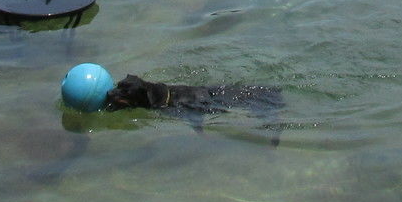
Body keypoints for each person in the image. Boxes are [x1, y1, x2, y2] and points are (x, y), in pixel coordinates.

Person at [61, 63, 285, 121]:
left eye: (122, 93)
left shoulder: (171, 106)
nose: (111, 93)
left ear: (143, 99)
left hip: (257, 101)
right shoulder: (159, 96)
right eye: (120, 87)